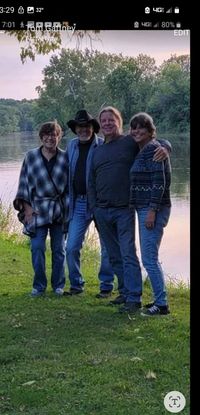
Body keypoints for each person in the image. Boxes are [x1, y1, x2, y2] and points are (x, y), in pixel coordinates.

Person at [88, 106, 171, 313]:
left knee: (128, 253)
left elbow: (153, 143)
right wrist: (94, 209)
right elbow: (91, 181)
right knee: (113, 255)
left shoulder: (129, 142)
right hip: (102, 210)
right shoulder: (96, 150)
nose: (107, 123)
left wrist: (167, 146)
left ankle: (134, 298)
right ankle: (124, 291)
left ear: (119, 122)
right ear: (100, 124)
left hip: (124, 209)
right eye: (104, 120)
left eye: (111, 120)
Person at [13, 121, 69, 297]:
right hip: (36, 210)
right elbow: (23, 184)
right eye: (47, 134)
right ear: (41, 136)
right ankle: (39, 286)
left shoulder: (65, 157)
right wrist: (27, 208)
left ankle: (58, 285)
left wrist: (68, 210)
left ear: (59, 137)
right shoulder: (31, 157)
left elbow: (69, 189)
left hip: (59, 210)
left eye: (54, 134)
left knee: (59, 249)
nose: (50, 138)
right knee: (37, 248)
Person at [65, 109, 114, 297]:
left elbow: (138, 143)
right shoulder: (71, 146)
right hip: (78, 203)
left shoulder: (104, 145)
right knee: (71, 247)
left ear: (93, 128)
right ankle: (76, 285)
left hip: (101, 203)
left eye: (87, 126)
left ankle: (106, 286)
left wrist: (165, 145)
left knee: (107, 246)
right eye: (80, 126)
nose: (83, 129)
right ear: (75, 129)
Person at [129, 112, 171, 316]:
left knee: (149, 259)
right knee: (150, 257)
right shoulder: (144, 149)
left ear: (150, 130)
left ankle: (161, 305)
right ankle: (158, 299)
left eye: (141, 127)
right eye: (133, 127)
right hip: (144, 208)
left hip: (152, 209)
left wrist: (152, 210)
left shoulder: (153, 149)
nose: (136, 131)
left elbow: (159, 182)